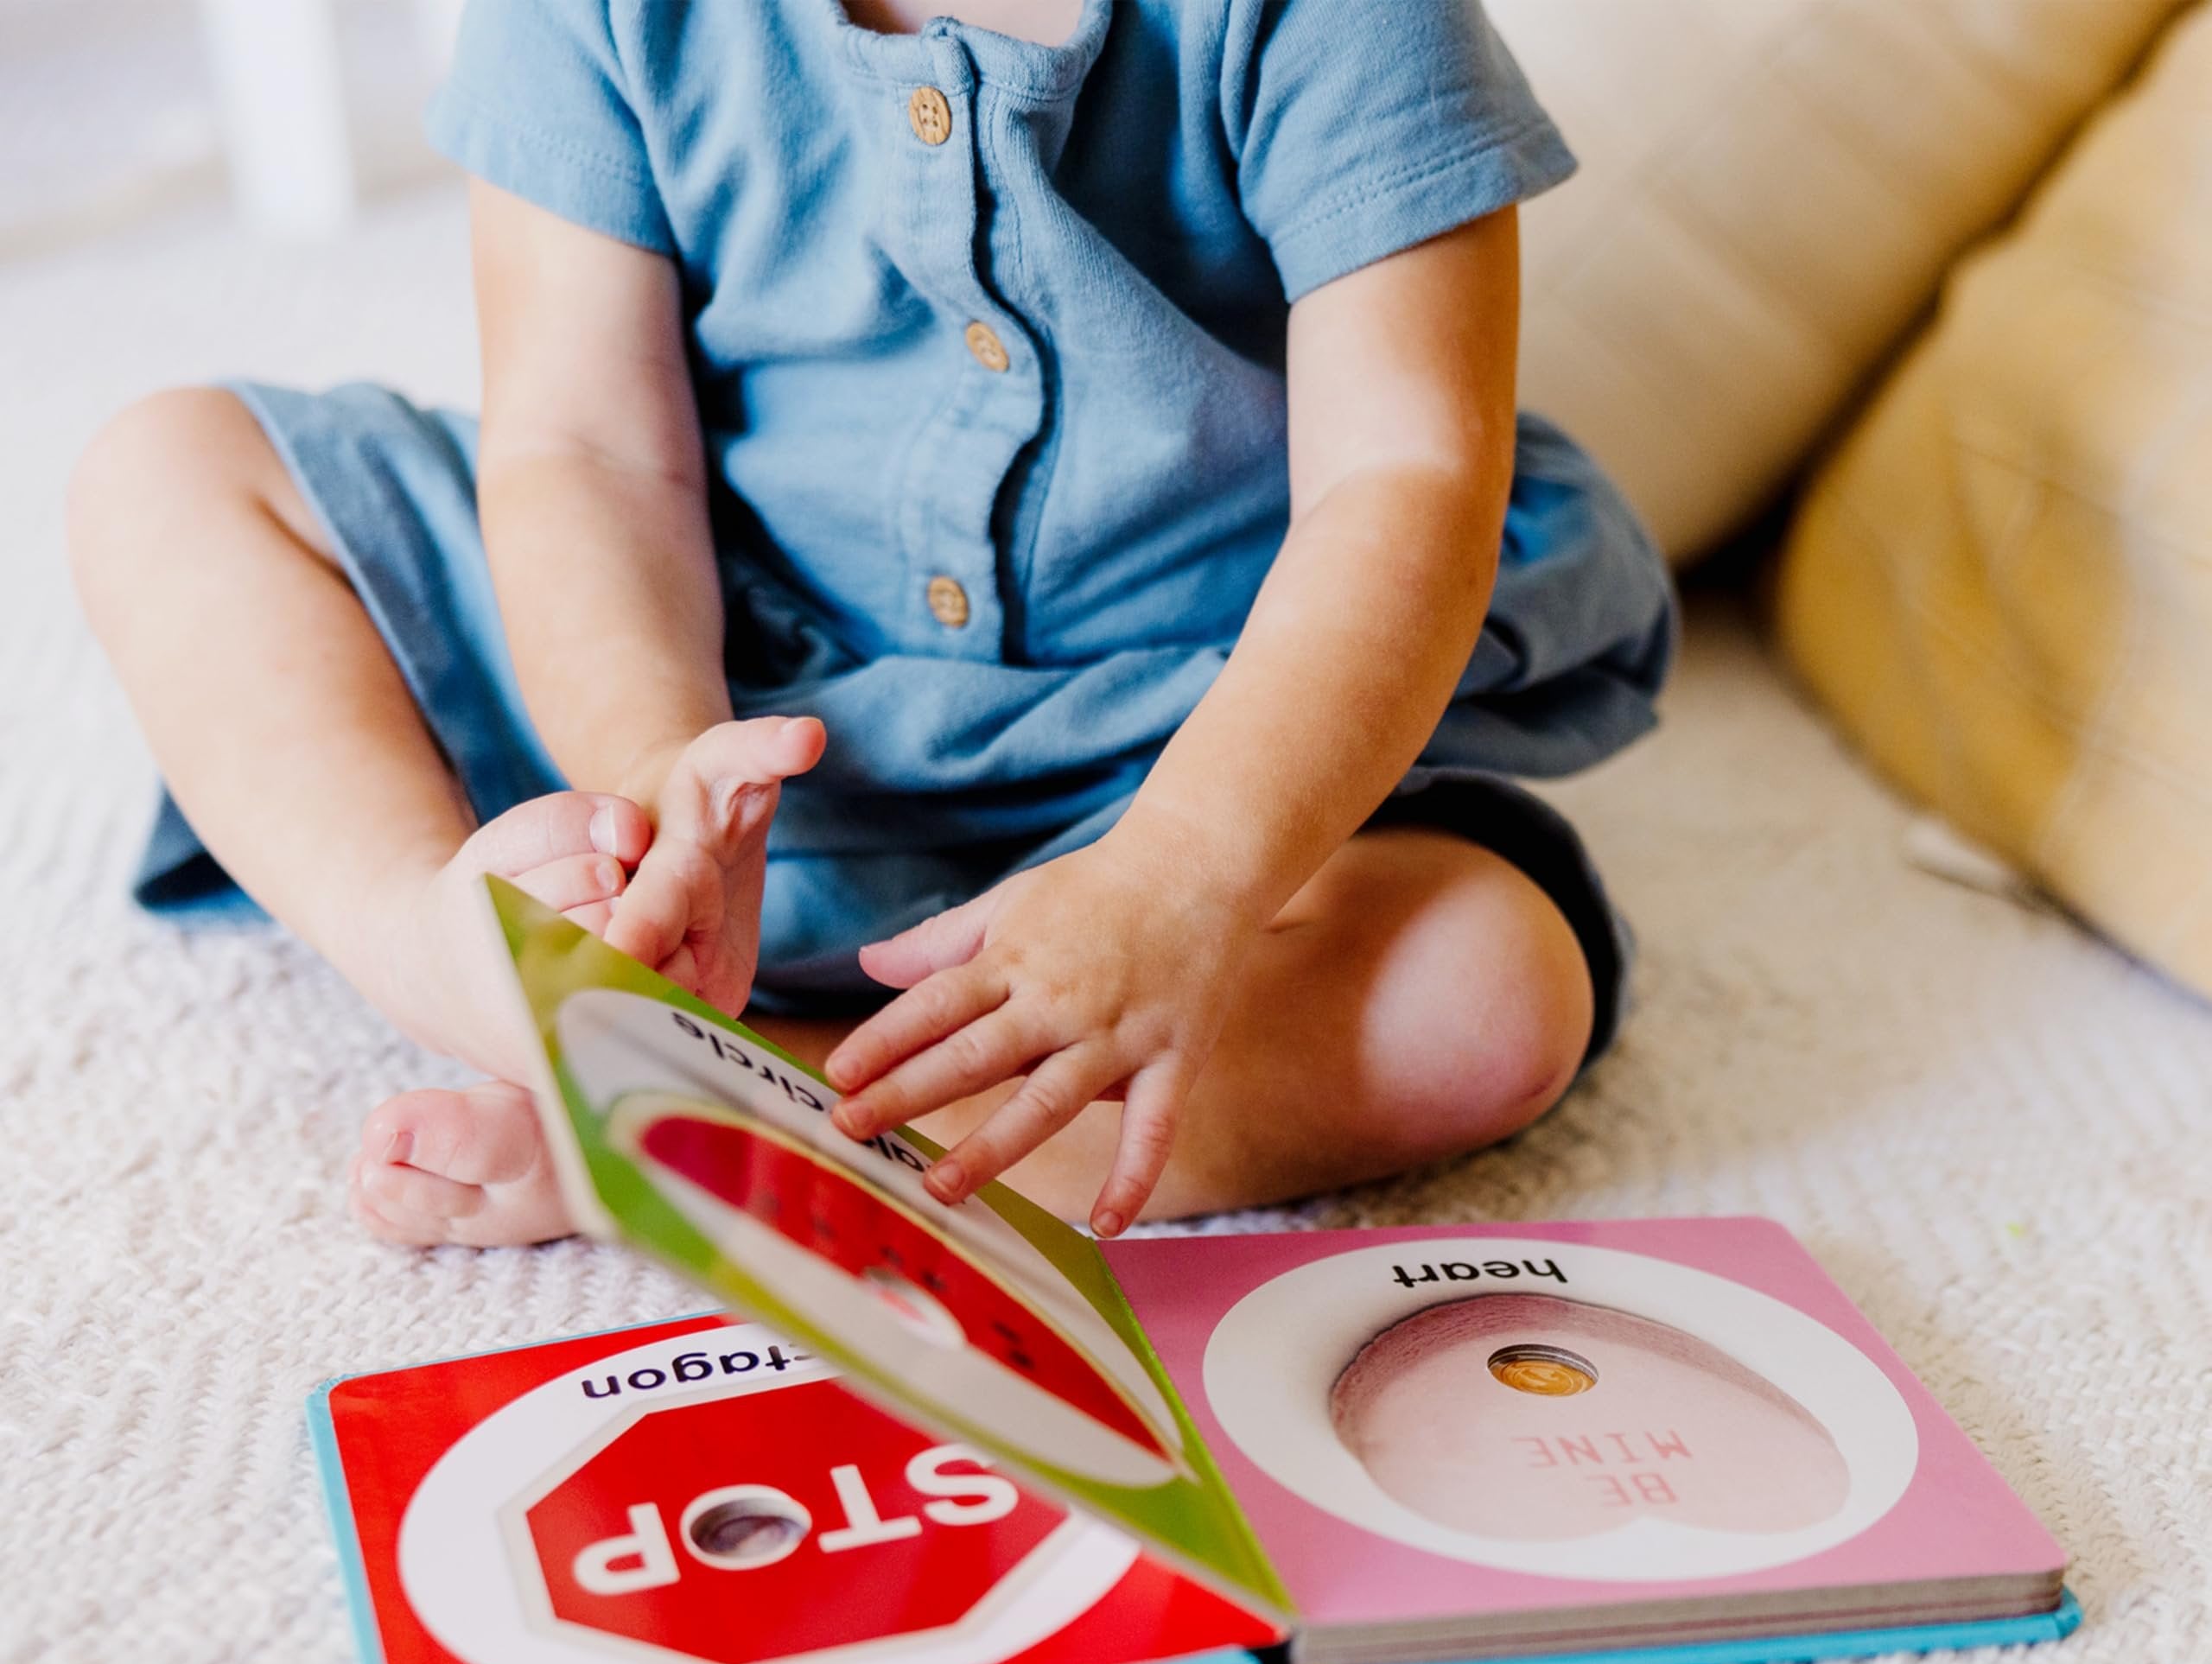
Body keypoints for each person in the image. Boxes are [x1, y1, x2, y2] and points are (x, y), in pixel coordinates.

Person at [67, 0, 1675, 1249]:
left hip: (1185, 739)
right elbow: (586, 452)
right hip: (721, 672)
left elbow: (1403, 480)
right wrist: (653, 764)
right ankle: (453, 957)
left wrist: (1186, 873)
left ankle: (742, 1128)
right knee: (173, 472)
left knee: (1483, 999)